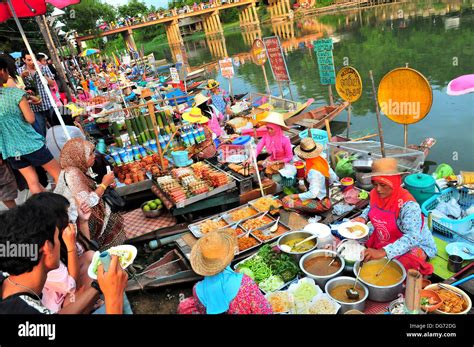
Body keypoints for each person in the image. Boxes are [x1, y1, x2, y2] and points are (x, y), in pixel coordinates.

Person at [0, 192, 128, 314]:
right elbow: (72, 286)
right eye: (57, 237)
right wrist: (113, 298)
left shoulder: (9, 281)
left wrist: (99, 285)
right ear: (47, 249)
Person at [351, 158, 437, 274]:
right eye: (375, 184)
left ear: (394, 182)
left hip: (414, 243)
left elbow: (413, 237)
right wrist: (363, 217)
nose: (378, 189)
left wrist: (383, 252)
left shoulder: (408, 205)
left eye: (383, 184)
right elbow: (371, 207)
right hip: (386, 235)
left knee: (397, 268)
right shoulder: (375, 194)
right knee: (356, 243)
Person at [0, 57, 61, 194]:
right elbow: (30, 118)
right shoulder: (16, 93)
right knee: (59, 175)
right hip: (30, 144)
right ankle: (68, 208)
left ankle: (47, 211)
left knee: (32, 182)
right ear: (2, 72)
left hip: (11, 150)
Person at [177, 230, 273, 314]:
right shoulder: (245, 283)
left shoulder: (197, 289)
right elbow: (265, 311)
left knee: (185, 304)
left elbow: (202, 310)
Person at [54, 138, 126, 249]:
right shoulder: (73, 174)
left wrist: (104, 185)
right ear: (79, 156)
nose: (94, 156)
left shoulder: (78, 169)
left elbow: (85, 191)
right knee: (113, 219)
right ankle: (112, 253)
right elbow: (87, 202)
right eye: (90, 153)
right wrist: (104, 184)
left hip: (82, 215)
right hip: (79, 221)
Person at [282, 137, 338, 214]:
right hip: (328, 195)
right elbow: (333, 177)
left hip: (322, 203)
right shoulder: (321, 159)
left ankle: (302, 211)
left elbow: (313, 194)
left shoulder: (313, 171)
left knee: (287, 202)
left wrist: (293, 196)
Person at [19, 51, 56, 136]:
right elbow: (18, 87)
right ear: (24, 60)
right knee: (41, 132)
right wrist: (22, 76)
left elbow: (52, 83)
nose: (32, 62)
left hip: (48, 103)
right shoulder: (20, 71)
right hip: (34, 108)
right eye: (29, 60)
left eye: (33, 59)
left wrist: (41, 73)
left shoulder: (43, 68)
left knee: (57, 127)